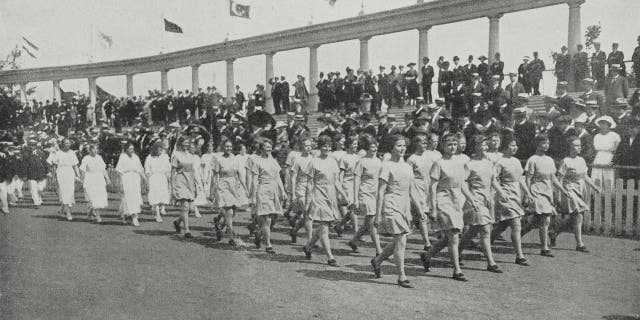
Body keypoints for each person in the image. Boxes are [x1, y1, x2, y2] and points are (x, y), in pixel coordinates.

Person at [419, 133, 477, 282]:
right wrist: (433, 208)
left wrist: (472, 200)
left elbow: (462, 183)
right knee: (454, 235)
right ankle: (457, 270)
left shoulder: (460, 162)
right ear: (443, 146)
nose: (452, 147)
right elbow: (432, 187)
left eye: (454, 144)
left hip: (457, 200)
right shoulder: (439, 163)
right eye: (449, 145)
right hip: (443, 200)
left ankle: (427, 255)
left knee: (450, 236)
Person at [370, 135, 418, 288]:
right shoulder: (387, 166)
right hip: (391, 204)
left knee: (400, 238)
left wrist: (418, 209)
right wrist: (378, 215)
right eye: (399, 146)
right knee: (400, 240)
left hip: (404, 205)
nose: (402, 148)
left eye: (404, 146)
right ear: (392, 147)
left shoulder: (408, 166)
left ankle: (377, 260)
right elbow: (381, 191)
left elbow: (412, 190)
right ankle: (401, 276)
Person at [302, 135, 349, 266]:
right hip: (318, 194)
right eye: (324, 146)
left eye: (329, 146)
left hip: (331, 195)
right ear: (320, 147)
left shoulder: (333, 161)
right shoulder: (314, 162)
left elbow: (336, 181)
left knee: (325, 224)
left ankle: (308, 247)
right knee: (324, 227)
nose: (327, 148)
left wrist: (344, 195)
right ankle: (330, 256)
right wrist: (307, 202)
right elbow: (310, 184)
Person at [458, 135, 502, 273]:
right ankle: (491, 262)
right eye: (482, 145)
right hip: (475, 200)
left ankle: (456, 250)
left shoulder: (489, 163)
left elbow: (493, 180)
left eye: (486, 145)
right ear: (475, 146)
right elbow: (463, 184)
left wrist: (501, 192)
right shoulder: (469, 164)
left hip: (487, 199)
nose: (485, 147)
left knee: (474, 231)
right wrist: (471, 199)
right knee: (485, 229)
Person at [521, 134, 568, 257]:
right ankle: (544, 248)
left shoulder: (550, 160)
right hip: (536, 192)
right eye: (543, 143)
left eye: (547, 143)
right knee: (546, 218)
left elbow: (553, 178)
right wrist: (527, 194)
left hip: (547, 193)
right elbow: (528, 178)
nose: (546, 145)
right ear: (537, 144)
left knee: (538, 220)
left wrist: (562, 190)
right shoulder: (533, 159)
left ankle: (520, 232)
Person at [552, 136, 601, 252]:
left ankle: (554, 233)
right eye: (576, 145)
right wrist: (558, 195)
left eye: (580, 145)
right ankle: (580, 244)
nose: (579, 147)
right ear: (570, 147)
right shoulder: (565, 161)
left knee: (575, 217)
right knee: (578, 215)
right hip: (568, 190)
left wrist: (595, 187)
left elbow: (585, 176)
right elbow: (559, 179)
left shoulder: (581, 160)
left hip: (580, 189)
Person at [490, 135, 531, 266]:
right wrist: (501, 192)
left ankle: (486, 242)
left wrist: (528, 193)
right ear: (505, 147)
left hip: (516, 195)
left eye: (515, 145)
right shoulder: (500, 162)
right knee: (515, 223)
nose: (515, 148)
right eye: (512, 145)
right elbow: (493, 179)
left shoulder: (516, 161)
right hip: (505, 196)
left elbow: (520, 178)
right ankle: (519, 255)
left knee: (502, 225)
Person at [347, 134, 383, 254]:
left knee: (368, 223)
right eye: (372, 147)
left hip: (375, 194)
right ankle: (379, 250)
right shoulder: (362, 162)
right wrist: (356, 198)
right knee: (372, 222)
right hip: (365, 194)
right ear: (367, 148)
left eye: (376, 147)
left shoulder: (379, 161)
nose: (374, 149)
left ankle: (354, 240)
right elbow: (356, 180)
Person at [250, 138, 286, 253]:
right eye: (266, 147)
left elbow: (278, 177)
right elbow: (254, 179)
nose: (269, 149)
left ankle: (259, 234)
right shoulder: (257, 161)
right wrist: (254, 196)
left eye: (270, 146)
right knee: (267, 218)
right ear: (261, 149)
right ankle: (268, 245)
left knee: (273, 218)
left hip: (273, 189)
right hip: (263, 189)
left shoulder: (273, 161)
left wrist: (283, 191)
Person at [211, 140, 249, 243]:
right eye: (226, 146)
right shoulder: (218, 159)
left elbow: (239, 174)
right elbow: (215, 176)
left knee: (233, 211)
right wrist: (212, 190)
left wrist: (245, 188)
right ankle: (231, 236)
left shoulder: (235, 159)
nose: (228, 148)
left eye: (230, 146)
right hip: (223, 185)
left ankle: (219, 225)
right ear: (223, 147)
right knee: (229, 211)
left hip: (233, 185)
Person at [406, 134, 436, 251]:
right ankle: (427, 243)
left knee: (425, 215)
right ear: (416, 144)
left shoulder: (429, 156)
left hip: (428, 186)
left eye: (425, 143)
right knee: (422, 215)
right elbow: (409, 177)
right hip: (417, 187)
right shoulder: (412, 159)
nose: (425, 145)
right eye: (422, 143)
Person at [171, 137, 199, 238]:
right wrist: (172, 187)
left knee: (190, 209)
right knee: (185, 207)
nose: (186, 145)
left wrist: (196, 184)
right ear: (180, 143)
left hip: (189, 182)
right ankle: (187, 230)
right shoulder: (176, 155)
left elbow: (193, 171)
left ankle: (177, 222)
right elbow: (173, 172)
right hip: (180, 180)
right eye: (184, 143)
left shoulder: (191, 156)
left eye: (188, 143)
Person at [47, 139, 81, 221]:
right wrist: (54, 176)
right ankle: (68, 213)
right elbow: (54, 165)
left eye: (69, 143)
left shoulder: (72, 153)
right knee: (64, 192)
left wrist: (78, 175)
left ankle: (62, 209)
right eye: (66, 143)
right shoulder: (58, 153)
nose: (68, 145)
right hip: (61, 173)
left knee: (70, 192)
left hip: (70, 173)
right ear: (62, 144)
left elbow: (75, 165)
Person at [289, 137, 315, 243]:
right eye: (306, 145)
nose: (308, 148)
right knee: (307, 213)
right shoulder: (298, 160)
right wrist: (293, 193)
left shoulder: (313, 158)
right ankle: (310, 240)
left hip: (312, 187)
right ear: (301, 147)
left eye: (310, 145)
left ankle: (294, 230)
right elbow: (293, 177)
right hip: (301, 187)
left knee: (308, 214)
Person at [334, 135, 360, 236]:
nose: (355, 146)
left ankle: (339, 225)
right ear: (349, 145)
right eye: (354, 144)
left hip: (355, 185)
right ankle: (356, 233)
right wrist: (340, 190)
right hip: (346, 185)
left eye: (356, 144)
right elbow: (340, 175)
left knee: (351, 210)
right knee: (353, 209)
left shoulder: (358, 157)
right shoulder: (344, 158)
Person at [116, 142, 146, 227]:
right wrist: (121, 183)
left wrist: (145, 180)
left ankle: (127, 215)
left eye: (132, 149)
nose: (132, 150)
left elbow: (140, 170)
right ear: (126, 149)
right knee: (127, 198)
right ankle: (133, 217)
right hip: (127, 179)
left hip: (135, 179)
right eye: (130, 149)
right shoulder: (122, 157)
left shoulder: (136, 157)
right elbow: (119, 171)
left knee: (135, 198)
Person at [79, 144, 110, 223]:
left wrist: (107, 178)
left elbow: (103, 169)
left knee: (98, 197)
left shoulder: (99, 157)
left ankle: (89, 214)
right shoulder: (86, 158)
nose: (95, 151)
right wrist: (82, 180)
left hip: (99, 179)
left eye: (96, 149)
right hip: (90, 179)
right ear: (90, 150)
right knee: (93, 198)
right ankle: (98, 216)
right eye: (93, 149)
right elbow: (82, 170)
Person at [590, 116, 621, 189]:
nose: (603, 126)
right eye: (601, 124)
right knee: (596, 178)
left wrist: (612, 163)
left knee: (608, 179)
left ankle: (608, 197)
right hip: (598, 159)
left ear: (609, 125)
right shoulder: (596, 136)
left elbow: (618, 152)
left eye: (605, 124)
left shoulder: (615, 136)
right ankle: (595, 195)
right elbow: (594, 150)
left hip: (609, 159)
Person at [145, 141, 171, 223]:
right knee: (155, 197)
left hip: (162, 178)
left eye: (162, 150)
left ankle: (157, 209)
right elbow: (147, 170)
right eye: (159, 150)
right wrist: (148, 181)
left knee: (161, 197)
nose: (161, 151)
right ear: (155, 149)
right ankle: (157, 214)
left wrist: (169, 178)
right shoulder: (150, 157)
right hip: (154, 178)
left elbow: (167, 169)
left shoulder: (165, 157)